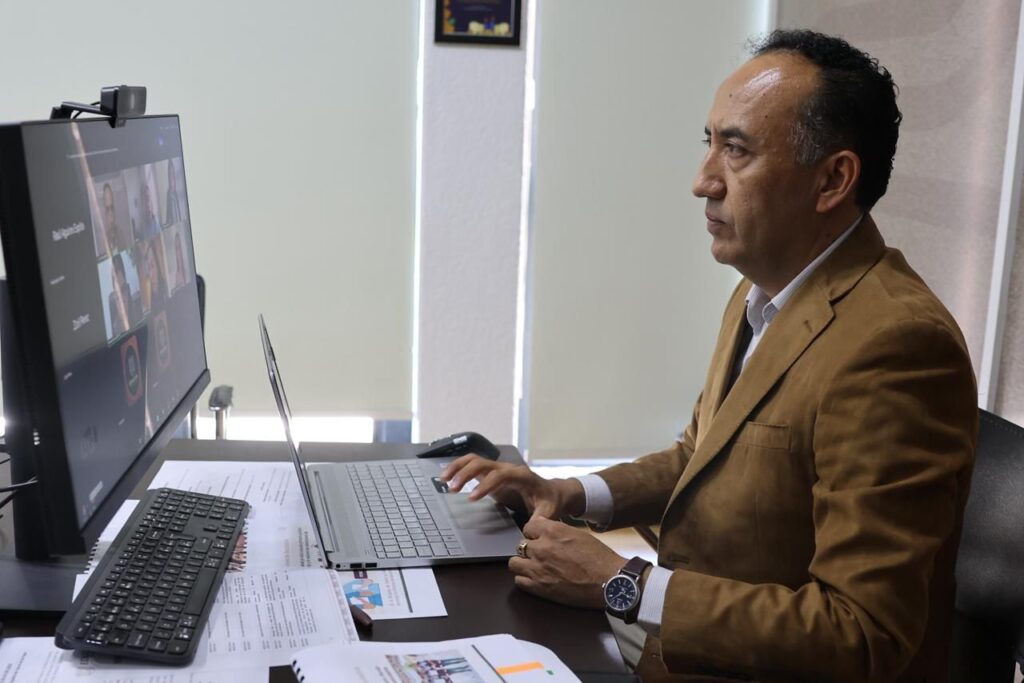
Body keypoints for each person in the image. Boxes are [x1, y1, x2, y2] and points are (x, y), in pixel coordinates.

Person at [441, 29, 977, 682]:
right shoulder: (765, 288)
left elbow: (861, 632)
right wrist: (567, 491)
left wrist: (623, 583)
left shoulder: (897, 345)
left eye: (737, 150)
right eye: (710, 143)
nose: (703, 181)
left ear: (833, 179)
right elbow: (701, 456)